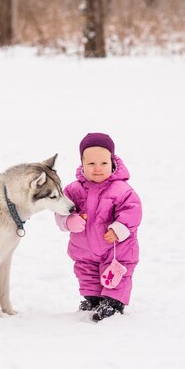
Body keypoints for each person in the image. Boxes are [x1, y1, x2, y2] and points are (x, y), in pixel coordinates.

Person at [55, 132, 142, 322]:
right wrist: (69, 221)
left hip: (116, 249)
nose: (97, 169)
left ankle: (113, 303)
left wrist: (118, 229)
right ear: (82, 164)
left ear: (112, 162)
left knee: (115, 275)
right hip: (84, 249)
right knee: (87, 274)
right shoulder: (73, 190)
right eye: (91, 164)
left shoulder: (122, 190)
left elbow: (132, 211)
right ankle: (93, 299)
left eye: (103, 163)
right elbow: (60, 210)